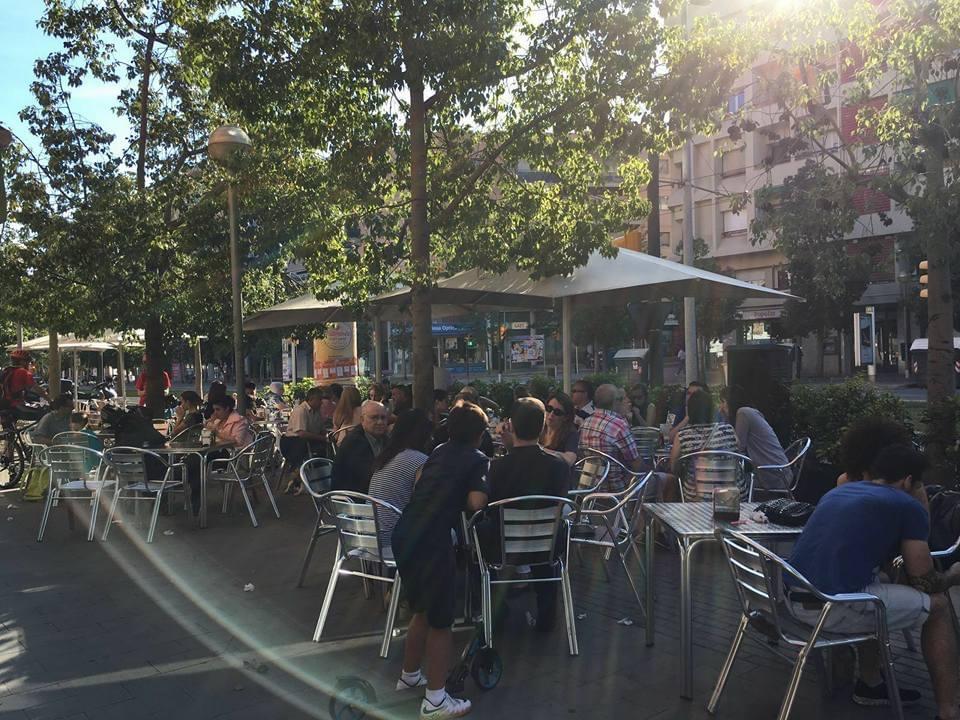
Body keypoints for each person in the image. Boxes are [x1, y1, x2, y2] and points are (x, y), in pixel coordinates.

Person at [786, 445, 958, 715]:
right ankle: (949, 711)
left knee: (879, 583)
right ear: (908, 481)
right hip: (829, 610)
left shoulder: (839, 491)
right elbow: (924, 582)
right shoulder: (906, 505)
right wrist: (953, 575)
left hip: (793, 599)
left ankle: (871, 683)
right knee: (939, 608)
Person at [392, 402, 489, 718]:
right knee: (441, 621)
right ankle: (435, 700)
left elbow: (420, 481)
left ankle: (409, 675)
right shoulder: (476, 458)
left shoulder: (438, 451)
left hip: (405, 533)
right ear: (479, 435)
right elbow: (476, 502)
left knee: (421, 608)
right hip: (433, 541)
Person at [485, 397, 570, 632]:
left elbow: (489, 506)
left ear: (511, 426)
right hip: (547, 546)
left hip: (504, 548)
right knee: (549, 533)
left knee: (477, 534)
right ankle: (547, 616)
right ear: (542, 427)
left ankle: (495, 610)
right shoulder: (559, 466)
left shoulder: (497, 468)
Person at [368, 408, 434, 548]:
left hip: (368, 536)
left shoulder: (385, 457)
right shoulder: (420, 461)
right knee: (448, 533)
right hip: (394, 540)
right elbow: (423, 502)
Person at [669, 389, 742, 501]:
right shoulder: (728, 430)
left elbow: (673, 467)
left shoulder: (682, 436)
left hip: (697, 501)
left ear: (690, 411)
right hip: (733, 499)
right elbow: (738, 452)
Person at [719, 386, 790, 494]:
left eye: (723, 402)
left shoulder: (743, 413)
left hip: (772, 475)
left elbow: (738, 448)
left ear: (731, 401)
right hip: (780, 471)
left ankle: (739, 505)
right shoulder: (750, 412)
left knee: (727, 482)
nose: (720, 406)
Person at [578, 384, 642, 492]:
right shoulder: (619, 426)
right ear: (615, 402)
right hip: (617, 492)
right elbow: (636, 464)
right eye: (621, 399)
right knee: (665, 479)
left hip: (588, 490)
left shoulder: (585, 423)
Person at [331, 400, 389, 493]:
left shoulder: (384, 438)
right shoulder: (354, 442)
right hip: (352, 497)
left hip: (372, 492)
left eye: (383, 418)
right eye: (374, 417)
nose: (380, 422)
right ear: (362, 420)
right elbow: (367, 475)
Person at [280, 387, 328, 493]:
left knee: (324, 449)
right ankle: (300, 477)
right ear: (312, 399)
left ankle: (317, 478)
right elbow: (301, 433)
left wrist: (327, 436)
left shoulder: (317, 411)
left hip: (307, 440)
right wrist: (323, 438)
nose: (322, 402)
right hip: (292, 442)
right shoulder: (301, 410)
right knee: (312, 448)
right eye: (320, 399)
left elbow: (322, 429)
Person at [1, 350, 48, 423]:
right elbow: (37, 389)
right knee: (45, 413)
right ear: (22, 361)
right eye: (28, 361)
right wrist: (50, 400)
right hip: (17, 406)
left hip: (4, 405)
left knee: (9, 428)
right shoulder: (23, 372)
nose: (29, 363)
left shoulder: (6, 371)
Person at [540, 392, 579, 465]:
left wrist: (542, 450)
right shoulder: (538, 426)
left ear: (566, 417)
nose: (551, 414)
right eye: (549, 408)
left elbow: (570, 459)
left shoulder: (571, 433)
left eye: (557, 412)